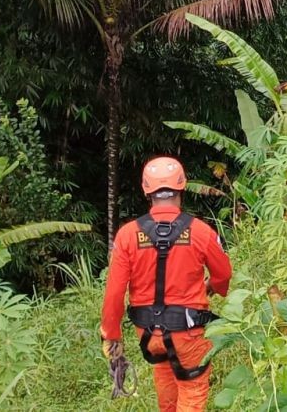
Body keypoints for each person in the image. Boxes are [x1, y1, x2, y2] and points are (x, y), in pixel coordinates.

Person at [101, 157, 232, 412]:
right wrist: (212, 287)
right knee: (192, 389)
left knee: (165, 377)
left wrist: (112, 335)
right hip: (188, 332)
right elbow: (223, 275)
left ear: (147, 191)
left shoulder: (127, 235)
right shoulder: (201, 231)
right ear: (181, 187)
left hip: (149, 334)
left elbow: (114, 293)